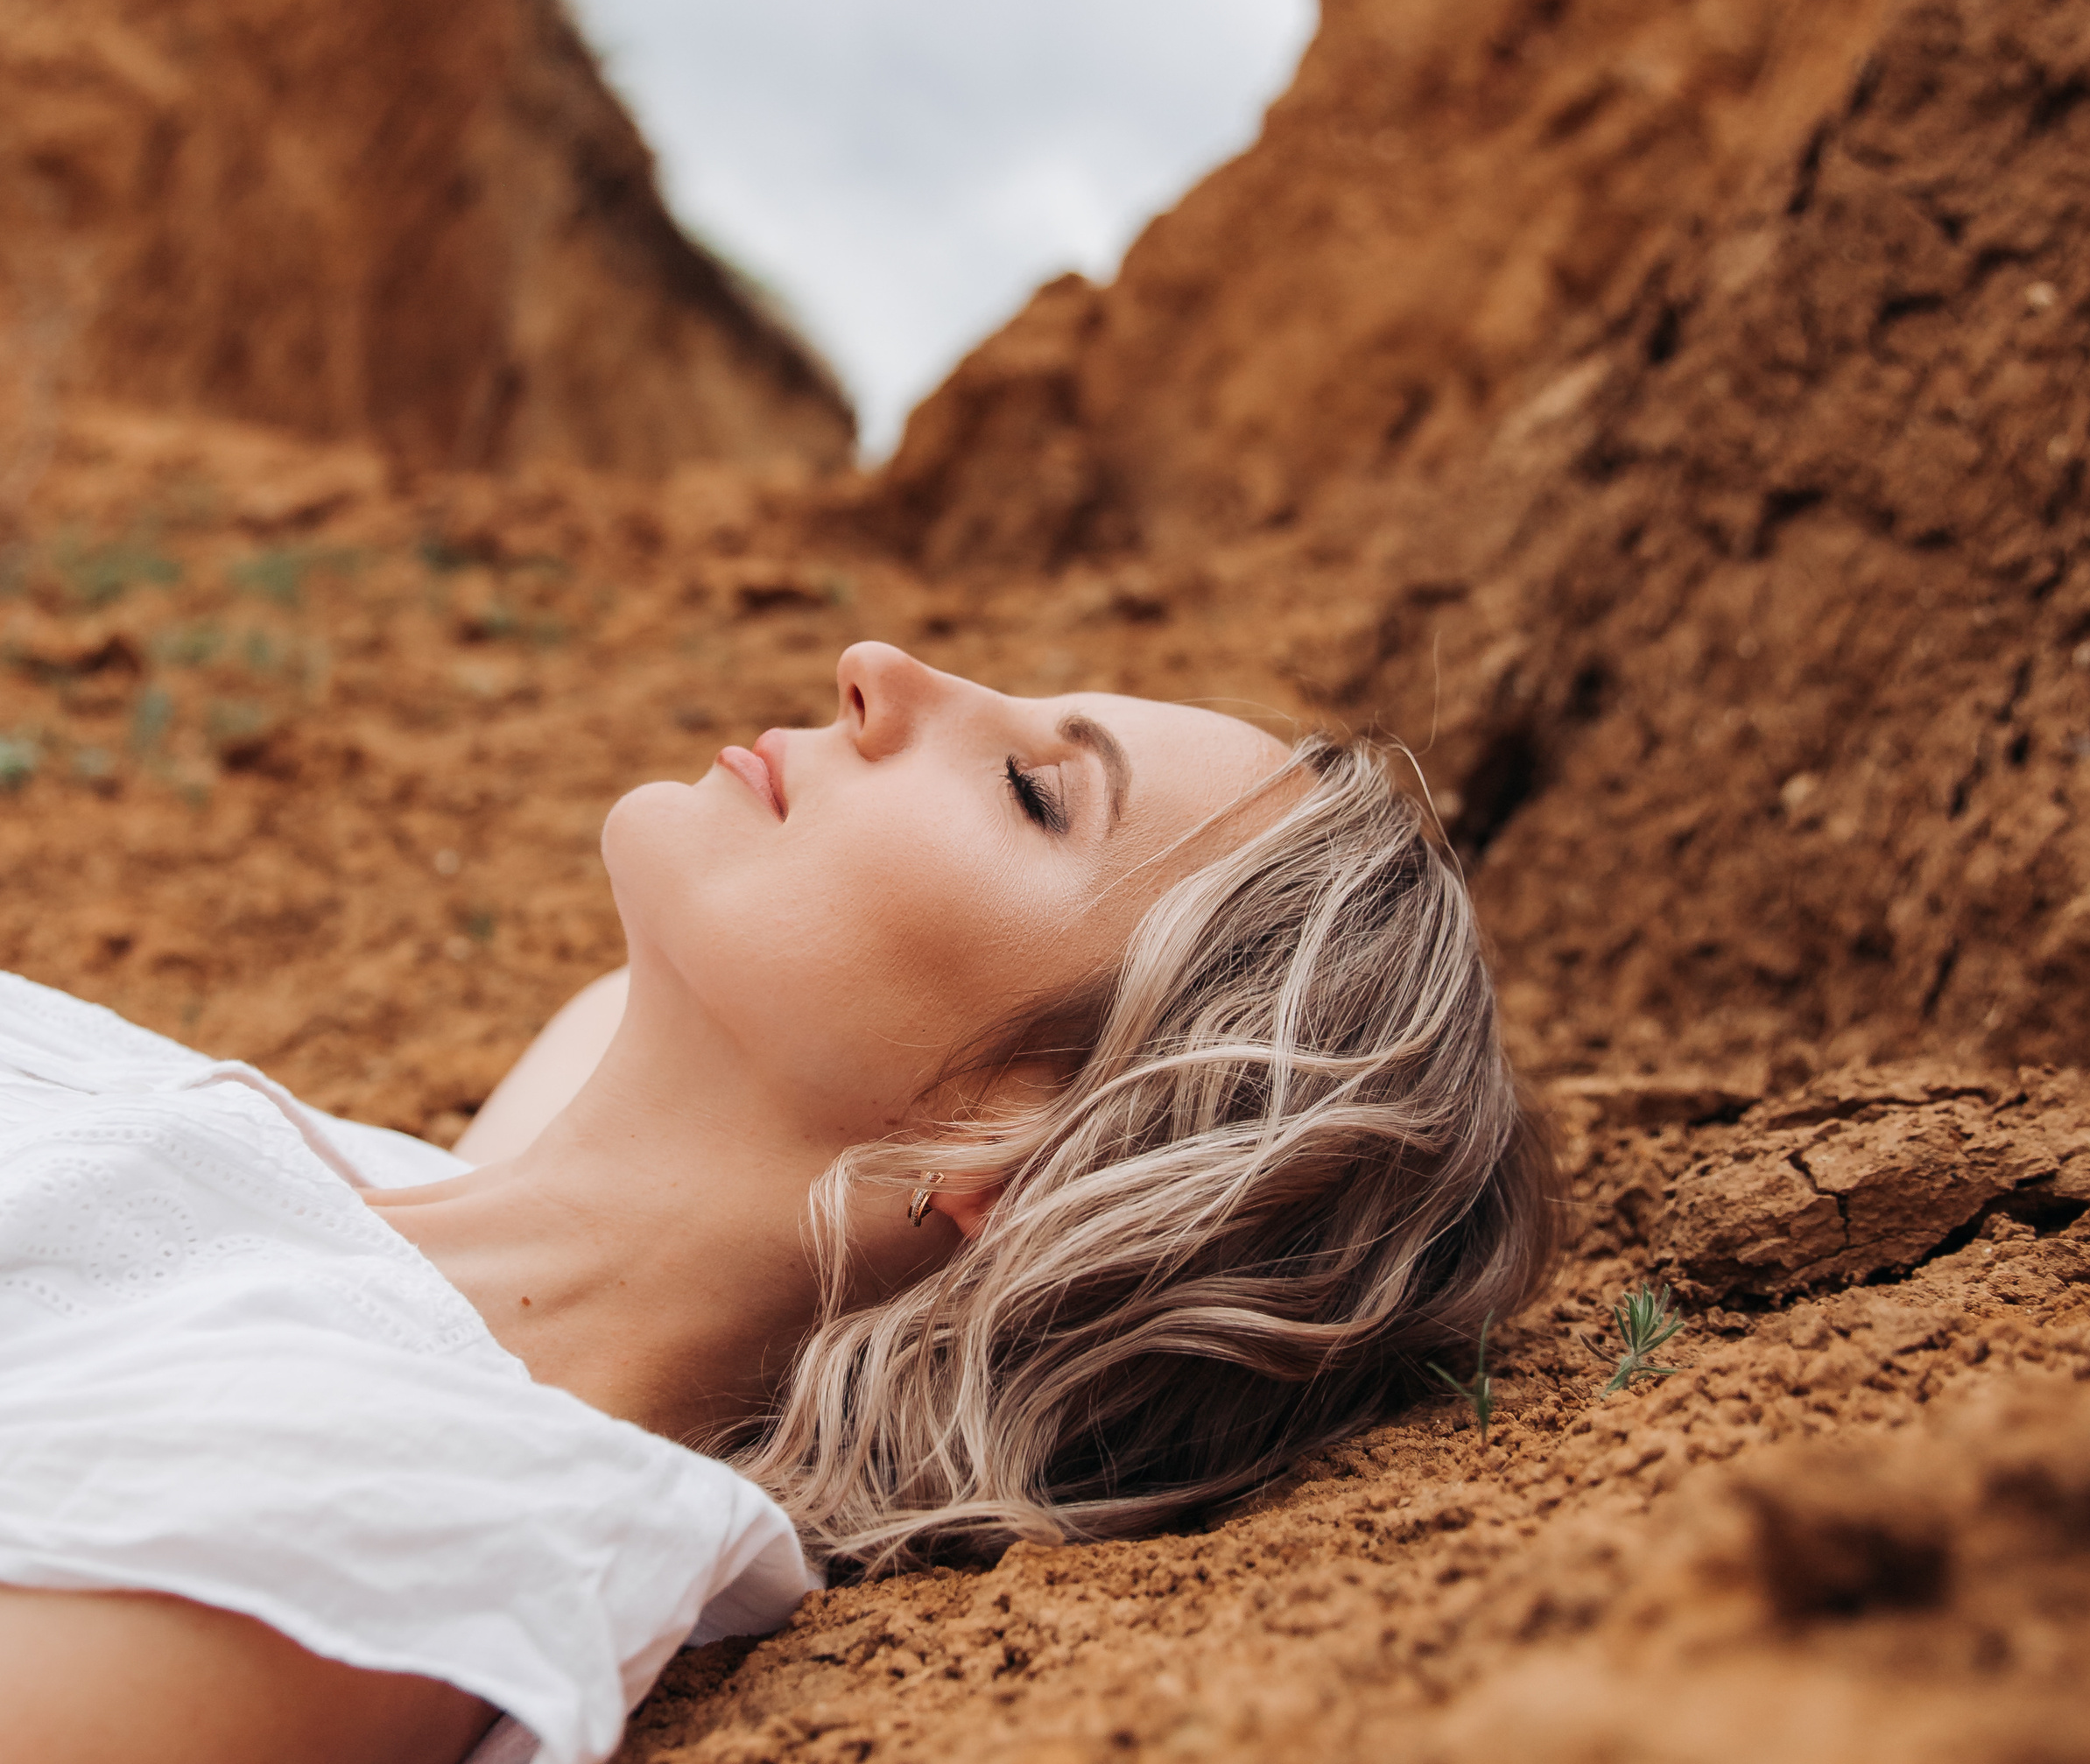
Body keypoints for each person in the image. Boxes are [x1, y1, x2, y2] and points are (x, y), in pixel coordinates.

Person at [0, 643, 1559, 1764]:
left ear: (1014, 1145)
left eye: (1031, 792)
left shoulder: (414, 1516)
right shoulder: (438, 1214)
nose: (879, 668)